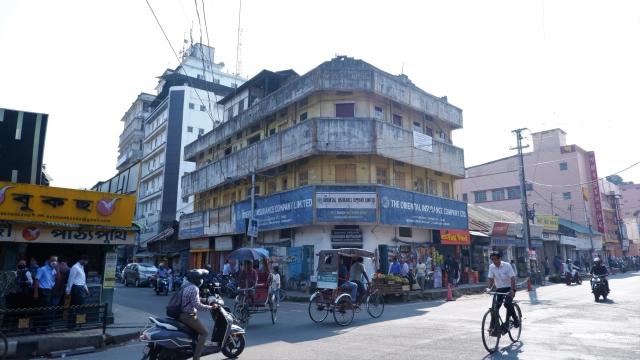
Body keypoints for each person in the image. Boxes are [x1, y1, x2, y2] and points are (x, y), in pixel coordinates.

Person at [180, 269, 219, 359]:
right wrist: (211, 307)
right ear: (196, 279)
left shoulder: (185, 285)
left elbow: (190, 298)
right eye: (200, 278)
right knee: (205, 333)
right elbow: (197, 305)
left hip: (180, 313)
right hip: (187, 316)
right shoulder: (194, 288)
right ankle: (196, 357)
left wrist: (202, 299)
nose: (202, 280)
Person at [487, 251, 519, 334]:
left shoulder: (506, 266)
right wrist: (488, 288)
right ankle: (493, 327)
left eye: (495, 259)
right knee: (495, 307)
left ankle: (515, 319)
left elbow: (512, 279)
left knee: (507, 304)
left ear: (500, 258)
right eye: (492, 259)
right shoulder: (491, 267)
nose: (494, 261)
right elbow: (491, 279)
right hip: (500, 289)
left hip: (509, 288)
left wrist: (512, 290)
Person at [34, 255, 61, 331]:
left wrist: (57, 270)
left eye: (56, 261)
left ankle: (35, 327)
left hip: (49, 290)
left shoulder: (54, 270)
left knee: (42, 311)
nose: (54, 262)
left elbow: (58, 279)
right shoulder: (43, 269)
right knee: (48, 310)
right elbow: (36, 280)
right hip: (43, 290)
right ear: (49, 261)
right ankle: (44, 328)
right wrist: (36, 293)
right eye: (52, 260)